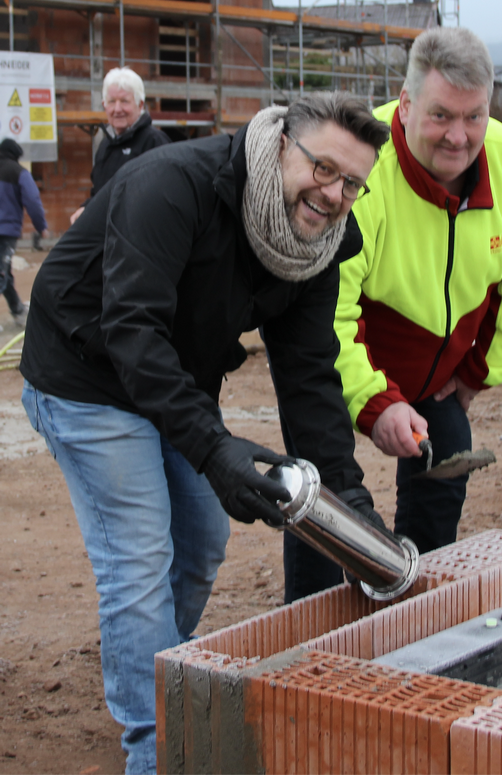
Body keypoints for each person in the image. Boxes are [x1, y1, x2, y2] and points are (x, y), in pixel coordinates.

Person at [19, 92, 389, 774]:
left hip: (171, 374)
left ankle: (154, 675)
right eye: (323, 168)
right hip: (85, 366)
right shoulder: (172, 186)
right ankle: (155, 748)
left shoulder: (316, 247)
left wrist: (351, 506)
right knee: (137, 559)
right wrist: (214, 448)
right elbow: (131, 329)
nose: (334, 194)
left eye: (353, 184)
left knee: (201, 541)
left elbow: (309, 381)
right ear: (283, 144)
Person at [282, 27, 502, 601]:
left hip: (440, 373)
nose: (459, 137)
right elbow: (327, 314)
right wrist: (376, 402)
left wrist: (480, 370)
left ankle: (414, 602)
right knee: (322, 491)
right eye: (440, 116)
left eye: (474, 117)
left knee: (445, 465)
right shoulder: (364, 172)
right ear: (405, 107)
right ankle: (310, 620)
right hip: (355, 352)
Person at [69, 66, 169, 224]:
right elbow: (101, 193)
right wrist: (87, 208)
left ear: (140, 105)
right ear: (104, 105)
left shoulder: (154, 142)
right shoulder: (105, 145)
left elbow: (164, 197)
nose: (117, 109)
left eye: (124, 101)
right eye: (111, 101)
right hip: (109, 237)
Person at [0, 138, 47, 329]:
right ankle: (18, 312)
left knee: (4, 272)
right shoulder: (19, 172)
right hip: (6, 232)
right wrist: (40, 226)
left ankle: (18, 310)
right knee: (2, 272)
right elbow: (33, 201)